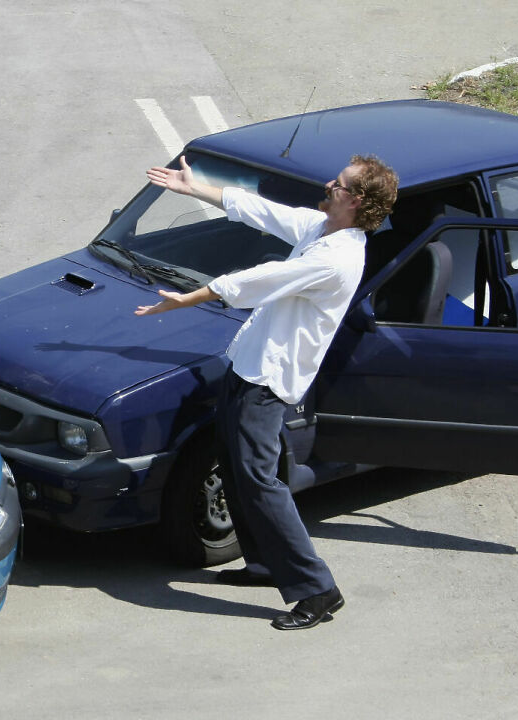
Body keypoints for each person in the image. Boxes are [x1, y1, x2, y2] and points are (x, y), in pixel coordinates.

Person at [134, 154, 398, 630]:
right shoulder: (322, 228)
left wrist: (189, 298)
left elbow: (262, 279)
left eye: (337, 183)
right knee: (238, 469)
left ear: (355, 200)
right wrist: (194, 189)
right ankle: (262, 564)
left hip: (268, 381)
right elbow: (260, 210)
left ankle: (318, 590)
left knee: (258, 480)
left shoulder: (336, 257)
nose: (327, 183)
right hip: (249, 365)